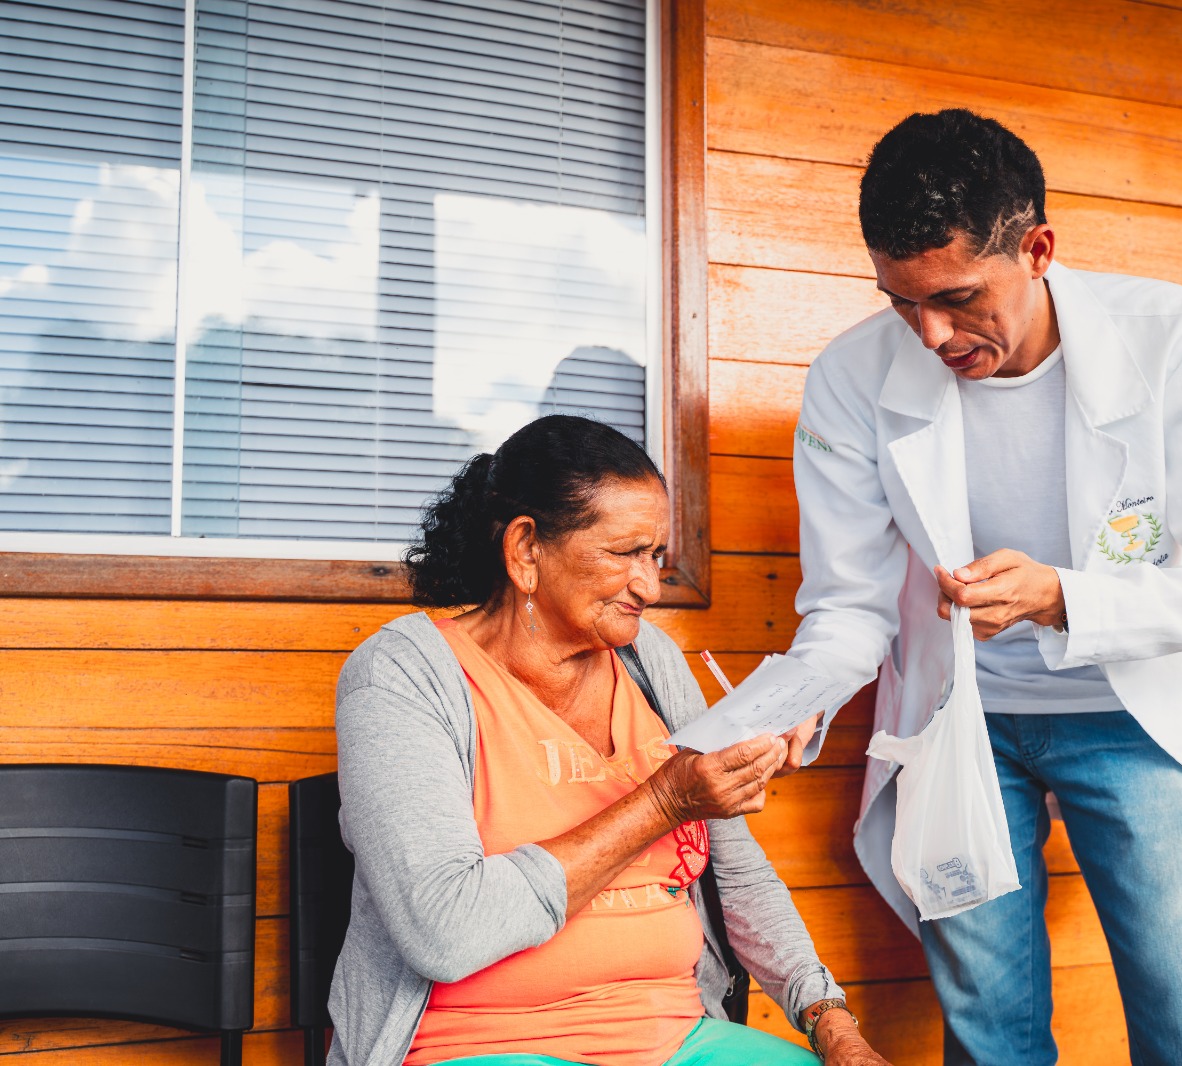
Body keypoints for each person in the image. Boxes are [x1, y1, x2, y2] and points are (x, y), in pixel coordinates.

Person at [776, 110, 1182, 1064]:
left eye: (959, 297)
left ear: (1038, 249)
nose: (932, 334)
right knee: (990, 1037)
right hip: (959, 726)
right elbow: (848, 602)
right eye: (902, 302)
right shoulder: (849, 375)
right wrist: (794, 702)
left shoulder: (1175, 336)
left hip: (1133, 718)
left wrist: (1062, 596)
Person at [328, 415, 891, 1066]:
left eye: (656, 557)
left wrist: (830, 1021)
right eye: (625, 554)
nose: (650, 586)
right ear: (526, 550)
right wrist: (664, 802)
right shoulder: (403, 675)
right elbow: (443, 932)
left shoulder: (652, 662)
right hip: (479, 1044)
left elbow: (739, 877)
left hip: (677, 1040)